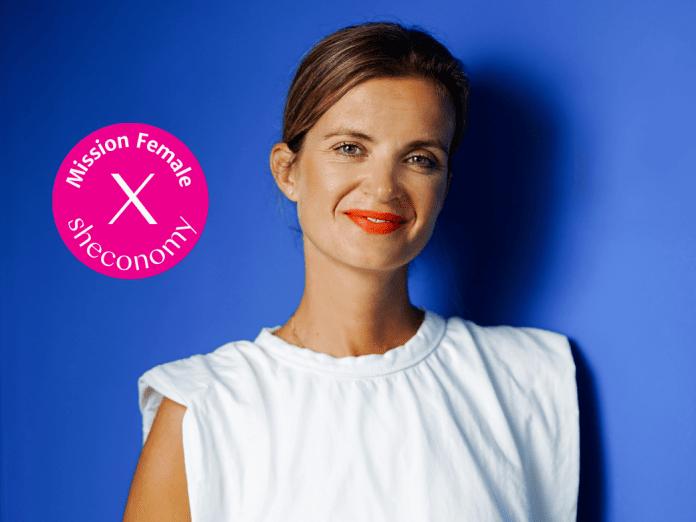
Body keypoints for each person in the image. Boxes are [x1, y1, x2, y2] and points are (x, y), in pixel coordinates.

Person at [123, 21, 579, 522]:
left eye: (420, 158)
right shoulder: (202, 407)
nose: (383, 187)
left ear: (444, 185)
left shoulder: (530, 377)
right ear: (288, 171)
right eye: (350, 148)